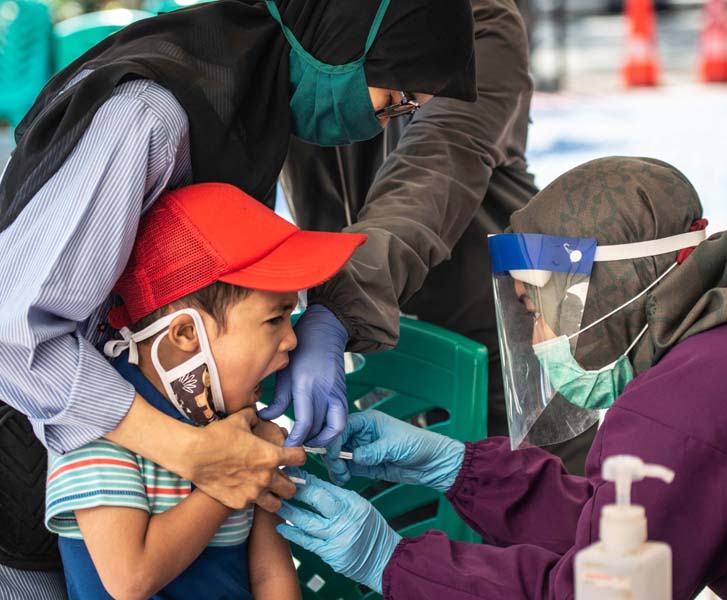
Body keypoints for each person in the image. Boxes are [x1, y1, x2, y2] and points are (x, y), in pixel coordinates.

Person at [0, 0, 475, 595]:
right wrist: (195, 456)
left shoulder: (245, 111)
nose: (388, 121)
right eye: (398, 98)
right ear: (344, 41)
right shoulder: (149, 115)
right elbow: (13, 335)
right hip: (27, 475)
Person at [275, 157, 727, 598]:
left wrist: (389, 560)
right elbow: (631, 522)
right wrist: (460, 470)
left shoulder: (675, 412)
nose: (536, 337)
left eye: (535, 309)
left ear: (605, 291)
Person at [44, 182, 367, 599]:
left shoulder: (242, 423)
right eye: (274, 320)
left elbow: (270, 574)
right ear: (185, 334)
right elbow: (130, 579)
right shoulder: (96, 431)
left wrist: (253, 466)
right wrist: (236, 476)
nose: (291, 340)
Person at [272, 0, 567, 450]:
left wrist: (339, 303)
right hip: (368, 339)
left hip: (498, 333)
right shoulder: (291, 17)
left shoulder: (465, 17)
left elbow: (434, 167)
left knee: (538, 482)